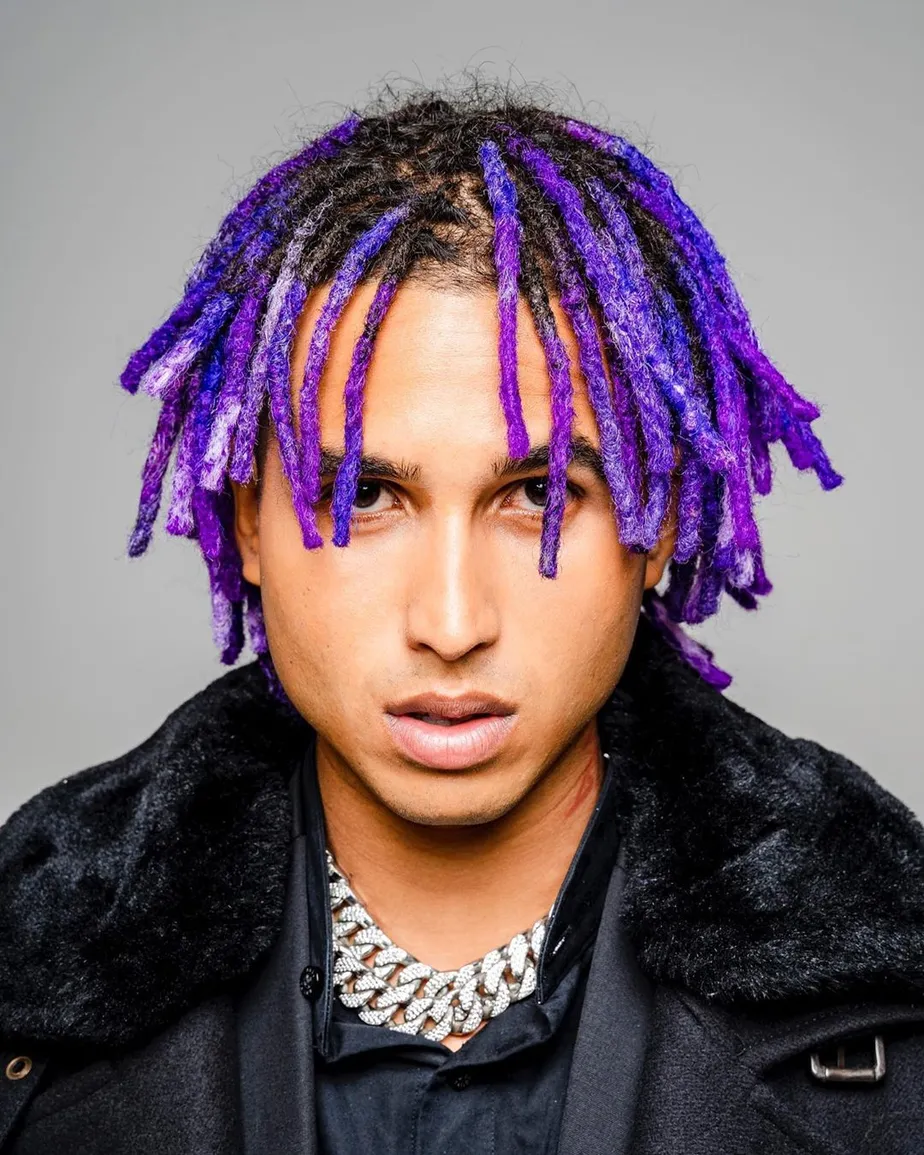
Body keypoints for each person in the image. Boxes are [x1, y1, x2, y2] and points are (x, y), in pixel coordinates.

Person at [1, 86, 922, 1155]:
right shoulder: (31, 980)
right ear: (246, 518)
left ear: (660, 520)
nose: (450, 623)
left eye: (538, 495)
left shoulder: (891, 1016)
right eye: (364, 497)